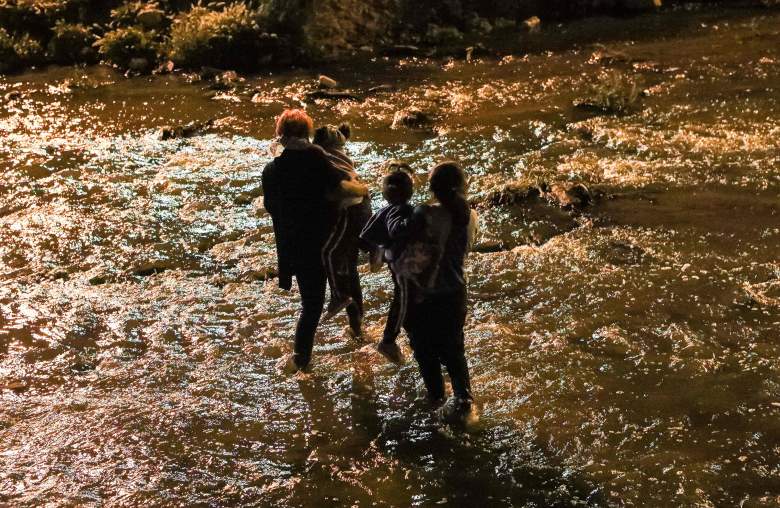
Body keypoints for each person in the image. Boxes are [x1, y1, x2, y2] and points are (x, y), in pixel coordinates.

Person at [262, 109, 368, 372]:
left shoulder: (270, 170)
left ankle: (301, 363)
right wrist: (363, 190)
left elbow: (271, 207)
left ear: (280, 134)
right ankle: (358, 334)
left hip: (295, 247)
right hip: (327, 241)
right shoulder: (316, 157)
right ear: (308, 133)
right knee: (347, 282)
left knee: (310, 307)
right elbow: (341, 187)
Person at [398, 161, 479, 422]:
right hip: (455, 294)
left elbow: (410, 255)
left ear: (431, 187)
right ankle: (465, 404)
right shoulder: (471, 216)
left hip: (424, 295)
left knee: (425, 352)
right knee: (454, 351)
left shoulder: (424, 214)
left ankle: (436, 404)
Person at [312, 124, 372, 336]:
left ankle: (339, 296)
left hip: (348, 210)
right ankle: (357, 325)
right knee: (350, 266)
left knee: (329, 253)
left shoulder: (322, 158)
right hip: (362, 207)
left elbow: (338, 190)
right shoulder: (344, 157)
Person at [359, 165, 416, 365]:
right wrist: (415, 221)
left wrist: (378, 252)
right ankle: (388, 340)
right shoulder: (403, 211)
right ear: (411, 191)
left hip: (397, 263)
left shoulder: (385, 210)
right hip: (403, 265)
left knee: (404, 299)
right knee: (403, 299)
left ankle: (401, 337)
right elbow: (395, 229)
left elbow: (365, 236)